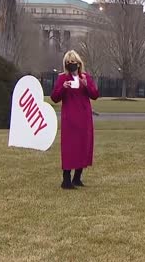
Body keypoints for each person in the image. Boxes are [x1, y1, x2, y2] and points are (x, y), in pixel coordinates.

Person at [51, 50, 99, 189]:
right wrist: (63, 88)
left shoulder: (85, 77)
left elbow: (95, 95)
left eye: (75, 63)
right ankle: (66, 178)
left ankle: (77, 177)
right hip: (70, 117)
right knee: (70, 147)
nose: (73, 66)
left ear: (79, 64)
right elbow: (54, 97)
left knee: (83, 145)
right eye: (70, 63)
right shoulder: (62, 78)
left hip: (84, 117)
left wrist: (86, 85)